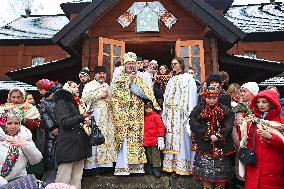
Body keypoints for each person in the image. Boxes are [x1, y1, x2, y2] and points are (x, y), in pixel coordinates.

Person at [111, 52, 160, 175]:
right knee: (126, 139)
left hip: (137, 113)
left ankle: (137, 167)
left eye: (133, 63)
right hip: (124, 115)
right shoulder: (119, 78)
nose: (131, 66)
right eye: (128, 64)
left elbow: (147, 93)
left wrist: (154, 103)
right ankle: (124, 167)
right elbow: (116, 94)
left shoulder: (139, 78)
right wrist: (128, 81)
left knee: (137, 138)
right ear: (124, 65)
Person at [190, 86, 236, 189]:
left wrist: (218, 135)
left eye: (214, 98)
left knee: (221, 178)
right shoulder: (198, 109)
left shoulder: (225, 109)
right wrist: (206, 134)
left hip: (221, 147)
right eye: (209, 98)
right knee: (206, 177)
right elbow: (193, 124)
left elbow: (228, 125)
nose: (212, 100)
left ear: (218, 97)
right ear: (205, 97)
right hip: (204, 145)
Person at [239, 89, 284, 189]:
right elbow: (244, 141)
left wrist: (271, 138)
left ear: (272, 103)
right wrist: (242, 127)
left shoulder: (281, 122)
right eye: (258, 102)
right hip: (253, 170)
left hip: (273, 172)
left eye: (264, 102)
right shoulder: (252, 121)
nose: (260, 105)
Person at [162, 57, 197, 176]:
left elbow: (192, 97)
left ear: (181, 64)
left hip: (182, 115)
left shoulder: (188, 78)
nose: (173, 66)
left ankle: (182, 167)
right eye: (172, 64)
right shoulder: (171, 79)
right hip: (171, 115)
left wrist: (190, 114)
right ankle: (171, 167)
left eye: (175, 64)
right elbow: (166, 97)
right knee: (170, 139)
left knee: (181, 140)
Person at [53, 81, 91, 189]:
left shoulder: (79, 103)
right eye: (74, 87)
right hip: (68, 145)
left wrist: (87, 121)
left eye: (77, 86)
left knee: (77, 179)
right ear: (67, 88)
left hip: (79, 144)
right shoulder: (62, 102)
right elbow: (64, 122)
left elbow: (78, 120)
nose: (77, 88)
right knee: (63, 180)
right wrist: (82, 116)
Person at [82, 66, 116, 173]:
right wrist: (98, 95)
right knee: (95, 138)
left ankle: (105, 166)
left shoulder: (108, 86)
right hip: (95, 115)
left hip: (107, 117)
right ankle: (93, 167)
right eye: (99, 73)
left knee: (106, 139)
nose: (102, 75)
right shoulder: (89, 85)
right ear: (95, 75)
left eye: (104, 73)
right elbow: (85, 99)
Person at [0, 110, 42, 187]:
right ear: (3, 124)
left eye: (16, 123)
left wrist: (25, 144)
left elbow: (36, 160)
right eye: (9, 123)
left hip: (19, 182)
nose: (13, 126)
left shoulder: (25, 137)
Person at [36, 79, 62, 184]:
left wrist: (53, 127)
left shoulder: (56, 97)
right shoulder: (46, 99)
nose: (39, 92)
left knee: (55, 157)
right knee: (51, 156)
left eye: (40, 89)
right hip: (53, 131)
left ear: (46, 88)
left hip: (58, 130)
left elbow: (47, 115)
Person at [143, 101, 165, 178]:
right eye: (146, 108)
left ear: (152, 108)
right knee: (149, 155)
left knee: (156, 154)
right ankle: (151, 167)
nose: (148, 110)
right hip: (147, 140)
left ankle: (156, 168)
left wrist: (160, 137)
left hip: (155, 140)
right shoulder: (144, 117)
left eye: (150, 108)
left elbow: (160, 127)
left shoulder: (156, 116)